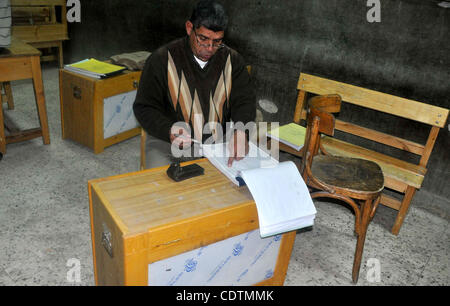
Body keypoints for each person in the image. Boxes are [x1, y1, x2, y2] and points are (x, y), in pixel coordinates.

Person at [133, 0, 255, 167]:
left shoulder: (233, 61)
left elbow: (244, 101)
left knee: (238, 184)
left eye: (217, 41)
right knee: (160, 188)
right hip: (168, 143)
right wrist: (168, 130)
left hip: (217, 143)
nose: (210, 48)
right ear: (190, 28)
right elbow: (144, 107)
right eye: (203, 39)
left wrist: (242, 131)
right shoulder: (161, 60)